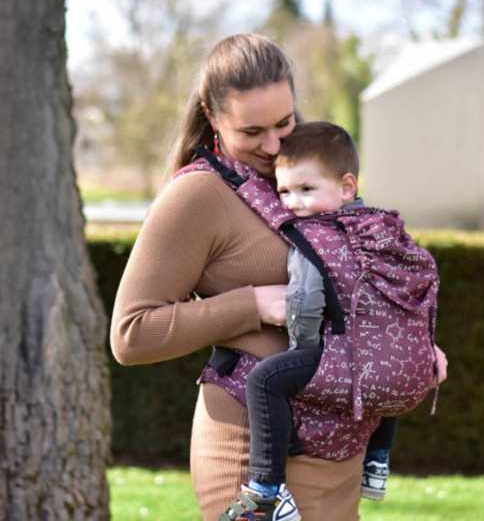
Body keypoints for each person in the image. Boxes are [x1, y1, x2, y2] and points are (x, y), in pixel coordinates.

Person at [110, 34, 367, 521]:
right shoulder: (198, 196)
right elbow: (130, 334)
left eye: (284, 123)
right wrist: (253, 304)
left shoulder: (309, 175)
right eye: (252, 132)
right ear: (212, 116)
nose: (273, 146)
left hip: (335, 444)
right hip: (254, 451)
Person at [217, 121, 437, 520]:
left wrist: (302, 351)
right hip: (408, 375)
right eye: (284, 192)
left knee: (266, 379)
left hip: (354, 365)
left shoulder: (312, 238)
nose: (293, 203)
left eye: (306, 190)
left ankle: (264, 491)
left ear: (346, 187)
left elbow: (304, 302)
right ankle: (377, 463)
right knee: (384, 366)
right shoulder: (386, 228)